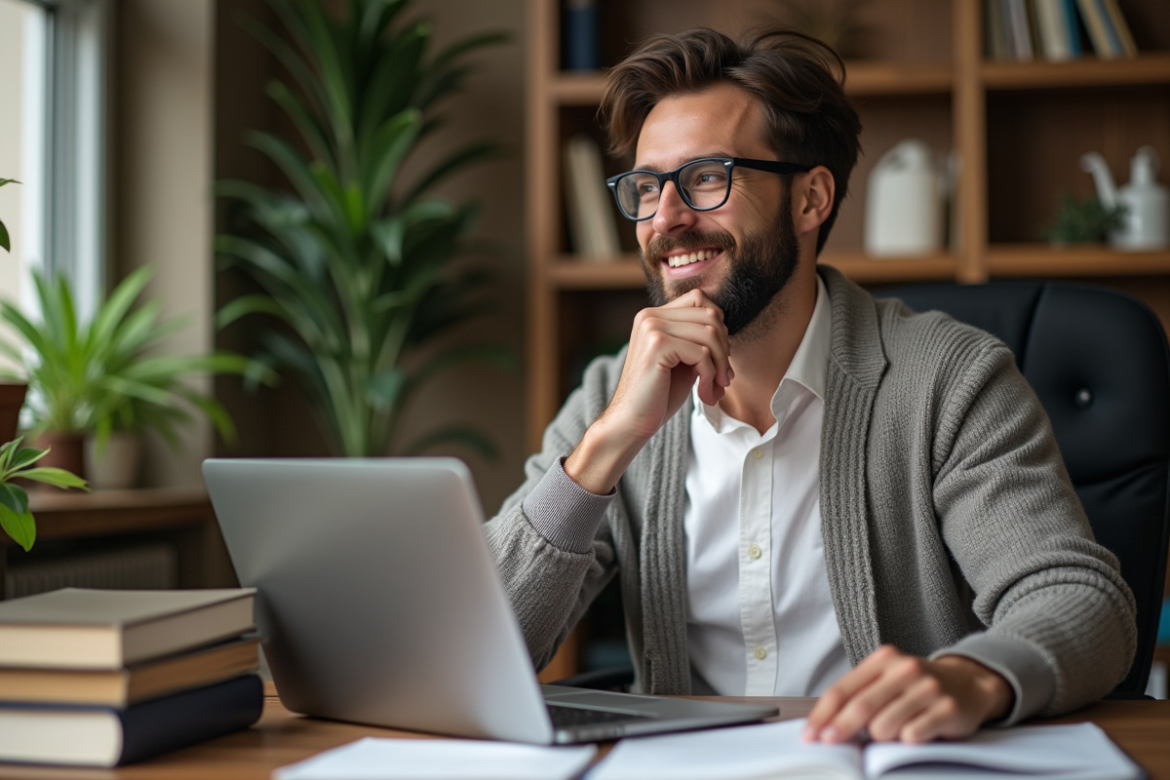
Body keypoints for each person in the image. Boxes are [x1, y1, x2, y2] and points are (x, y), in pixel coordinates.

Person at [485, 27, 1136, 744]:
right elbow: (482, 649)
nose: (665, 219)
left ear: (811, 198)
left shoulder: (950, 381)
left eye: (705, 177)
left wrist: (972, 678)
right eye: (646, 188)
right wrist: (606, 448)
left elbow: (1082, 601)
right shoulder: (610, 395)